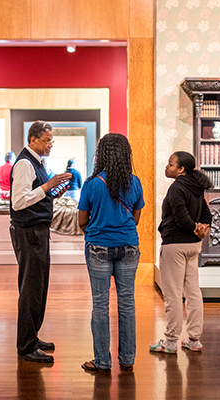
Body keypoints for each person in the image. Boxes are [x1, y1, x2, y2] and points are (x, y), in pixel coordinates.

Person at [78, 133, 144, 373]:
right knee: (127, 304)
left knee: (100, 304)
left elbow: (81, 220)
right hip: (128, 245)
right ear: (126, 155)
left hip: (98, 246)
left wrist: (97, 230)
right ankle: (127, 359)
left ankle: (102, 361)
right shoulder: (134, 182)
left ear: (101, 154)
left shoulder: (92, 183)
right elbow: (136, 218)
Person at [10, 121, 72, 364]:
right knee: (31, 288)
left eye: (51, 140)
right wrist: (47, 186)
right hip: (28, 232)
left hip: (37, 231)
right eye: (46, 140)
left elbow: (34, 194)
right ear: (32, 139)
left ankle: (32, 336)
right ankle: (26, 345)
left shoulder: (36, 162)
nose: (50, 145)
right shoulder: (25, 163)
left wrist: (51, 191)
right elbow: (18, 202)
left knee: (39, 286)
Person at [149, 151, 213, 354]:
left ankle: (170, 341)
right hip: (193, 246)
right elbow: (206, 214)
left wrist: (195, 227)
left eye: (170, 164)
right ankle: (194, 340)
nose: (166, 167)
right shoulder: (196, 187)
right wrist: (202, 229)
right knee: (193, 292)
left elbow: (181, 218)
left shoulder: (177, 187)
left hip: (175, 245)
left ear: (181, 169)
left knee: (173, 294)